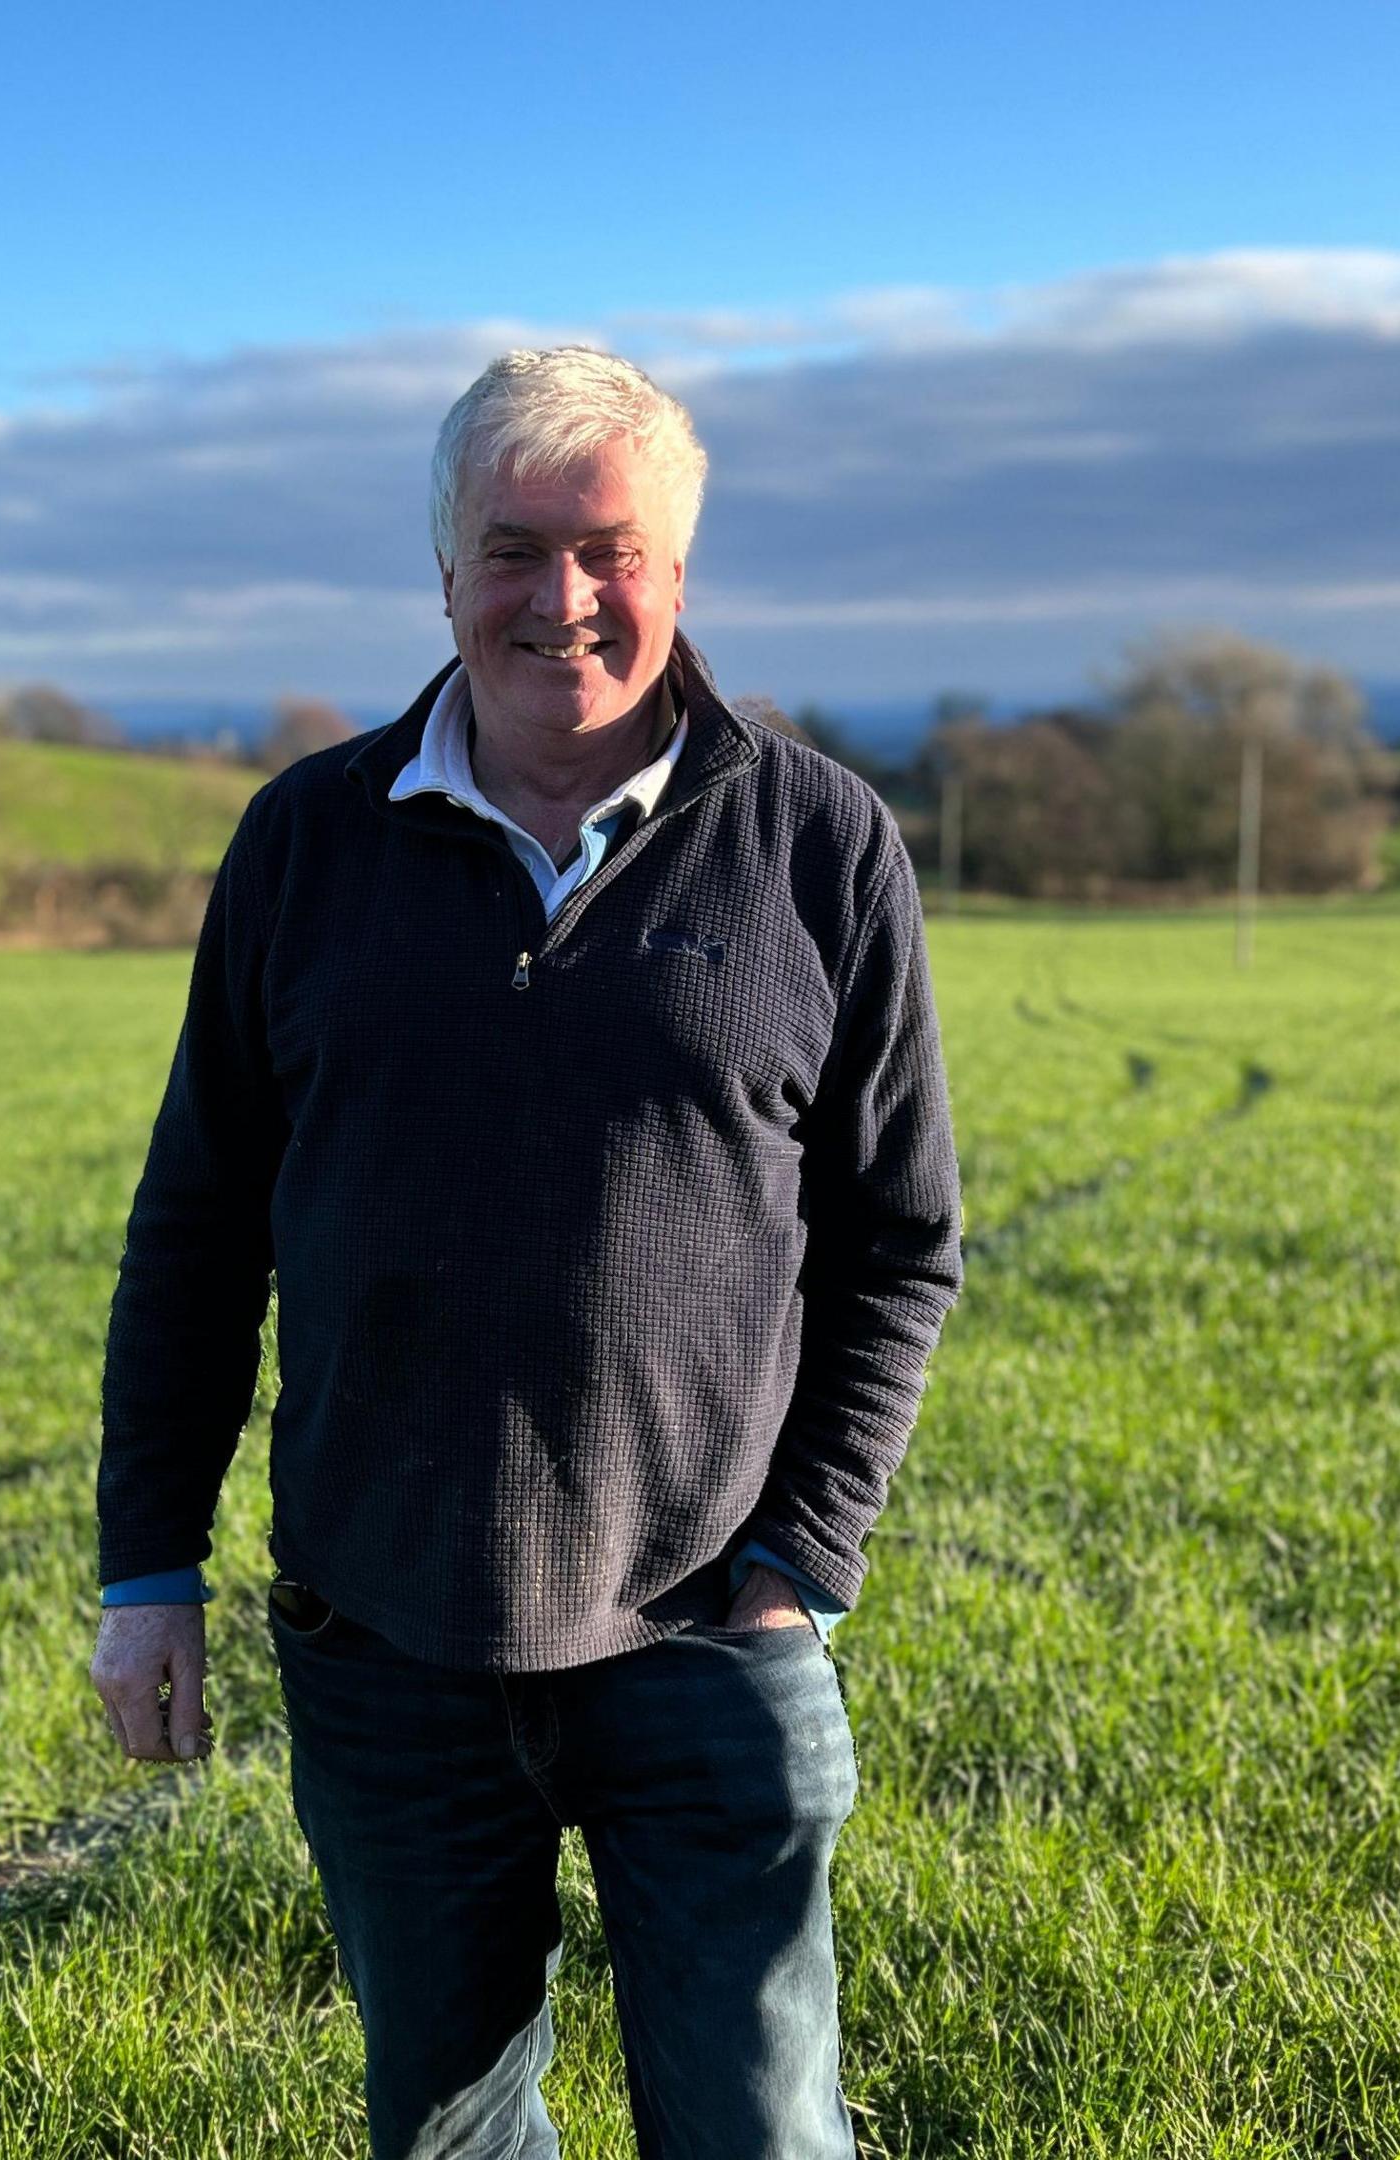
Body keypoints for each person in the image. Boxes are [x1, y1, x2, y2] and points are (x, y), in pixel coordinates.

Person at [90, 346, 962, 2158]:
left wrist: (804, 1557)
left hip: (710, 1634)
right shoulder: (303, 846)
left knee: (760, 2137)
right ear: (442, 575)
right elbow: (196, 1229)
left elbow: (900, 1243)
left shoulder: (821, 847)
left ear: (677, 573)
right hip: (383, 1640)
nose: (562, 598)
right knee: (450, 2135)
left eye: (610, 550)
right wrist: (144, 1567)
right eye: (511, 549)